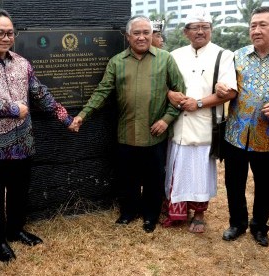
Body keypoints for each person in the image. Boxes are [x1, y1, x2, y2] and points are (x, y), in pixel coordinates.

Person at [0, 9, 77, 262]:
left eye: (9, 33)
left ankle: (15, 230)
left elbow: (39, 93)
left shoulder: (22, 62)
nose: (5, 37)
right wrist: (13, 109)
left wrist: (64, 117)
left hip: (23, 142)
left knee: (19, 191)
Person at [73, 15, 185, 233]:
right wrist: (83, 115)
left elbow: (180, 94)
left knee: (154, 177)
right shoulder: (117, 62)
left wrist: (166, 119)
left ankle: (150, 215)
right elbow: (102, 91)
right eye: (137, 33)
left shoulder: (166, 59)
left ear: (152, 35)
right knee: (127, 177)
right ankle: (128, 212)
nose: (142, 37)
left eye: (146, 32)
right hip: (126, 132)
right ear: (127, 36)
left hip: (155, 132)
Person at [221, 6, 269, 247]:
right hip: (235, 134)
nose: (257, 30)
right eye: (253, 25)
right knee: (234, 182)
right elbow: (224, 86)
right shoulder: (236, 55)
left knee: (263, 185)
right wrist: (220, 89)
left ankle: (259, 227)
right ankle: (237, 223)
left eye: (263, 25)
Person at [163, 7, 237, 233]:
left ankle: (199, 213)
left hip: (205, 124)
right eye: (195, 28)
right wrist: (169, 94)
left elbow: (231, 92)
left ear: (211, 30)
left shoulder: (223, 55)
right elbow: (164, 85)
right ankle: (176, 211)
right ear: (186, 32)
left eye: (205, 27)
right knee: (176, 166)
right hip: (177, 123)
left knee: (200, 172)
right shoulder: (174, 55)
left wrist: (199, 103)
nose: (200, 32)